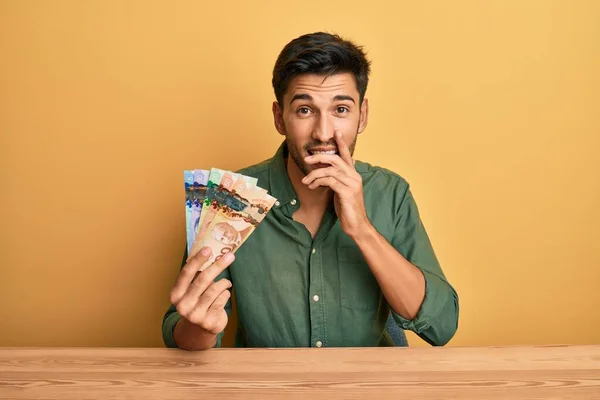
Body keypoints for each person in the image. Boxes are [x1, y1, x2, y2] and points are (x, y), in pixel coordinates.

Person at [162, 32, 459, 350]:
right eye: (305, 110)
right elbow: (180, 336)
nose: (323, 132)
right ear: (280, 117)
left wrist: (361, 228)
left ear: (363, 116)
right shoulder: (230, 199)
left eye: (341, 110)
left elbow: (441, 327)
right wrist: (201, 328)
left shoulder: (391, 193)